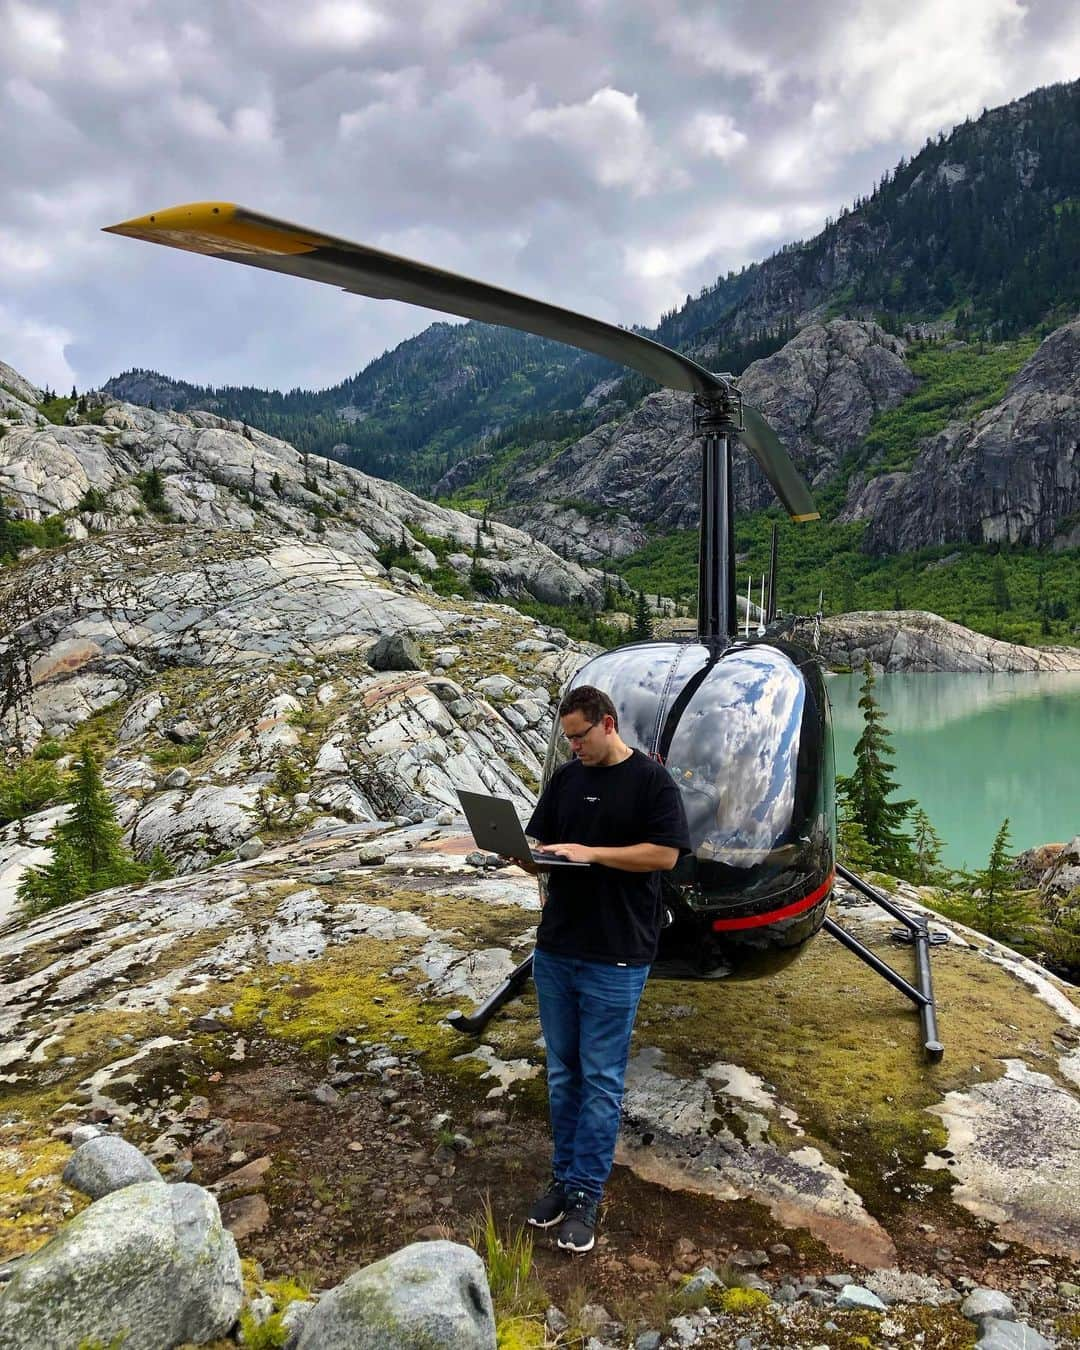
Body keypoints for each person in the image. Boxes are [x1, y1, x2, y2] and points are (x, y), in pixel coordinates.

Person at [519, 684, 691, 1254]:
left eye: (581, 737)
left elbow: (664, 854)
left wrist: (591, 853)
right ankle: (563, 1179)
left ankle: (587, 1195)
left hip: (617, 952)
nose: (574, 749)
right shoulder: (568, 779)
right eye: (566, 739)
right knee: (563, 1073)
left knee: (600, 1078)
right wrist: (527, 855)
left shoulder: (651, 782)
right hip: (558, 946)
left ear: (608, 724)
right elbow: (545, 842)